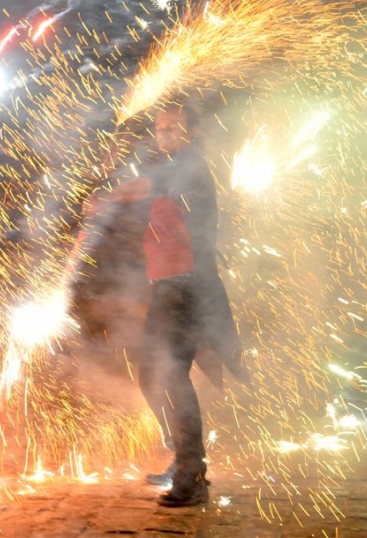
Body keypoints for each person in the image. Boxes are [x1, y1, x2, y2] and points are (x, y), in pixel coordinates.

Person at [80, 101, 246, 507]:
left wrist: (107, 197)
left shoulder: (190, 166)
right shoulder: (170, 167)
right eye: (160, 128)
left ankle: (193, 473)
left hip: (189, 286)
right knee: (151, 374)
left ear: (191, 132)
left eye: (173, 127)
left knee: (171, 374)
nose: (165, 134)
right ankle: (181, 456)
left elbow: (146, 185)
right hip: (167, 286)